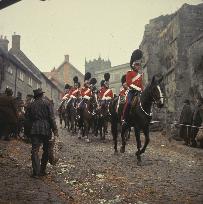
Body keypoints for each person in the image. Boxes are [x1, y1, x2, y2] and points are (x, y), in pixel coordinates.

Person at [26, 88, 58, 178]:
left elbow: (27, 119)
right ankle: (42, 170)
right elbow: (51, 117)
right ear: (42, 95)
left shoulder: (31, 105)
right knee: (46, 150)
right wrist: (55, 130)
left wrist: (28, 132)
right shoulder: (47, 103)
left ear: (35, 96)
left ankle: (36, 172)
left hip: (35, 129)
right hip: (46, 129)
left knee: (35, 150)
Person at [121, 49, 144, 125]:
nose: (139, 66)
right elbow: (129, 83)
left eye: (139, 64)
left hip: (139, 92)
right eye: (137, 64)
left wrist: (142, 90)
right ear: (133, 65)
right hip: (131, 92)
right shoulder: (129, 73)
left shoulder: (140, 75)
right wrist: (137, 88)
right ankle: (124, 118)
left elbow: (141, 85)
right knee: (128, 103)